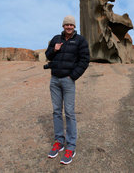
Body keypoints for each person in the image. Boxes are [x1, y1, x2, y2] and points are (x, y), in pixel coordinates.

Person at [45, 15, 89, 165]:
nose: (69, 27)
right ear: (63, 26)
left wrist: (73, 76)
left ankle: (71, 146)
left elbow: (85, 60)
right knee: (57, 111)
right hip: (54, 80)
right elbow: (47, 54)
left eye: (71, 25)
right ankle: (59, 142)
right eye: (66, 25)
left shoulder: (80, 40)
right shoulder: (56, 38)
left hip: (68, 81)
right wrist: (54, 49)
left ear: (74, 26)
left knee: (69, 113)